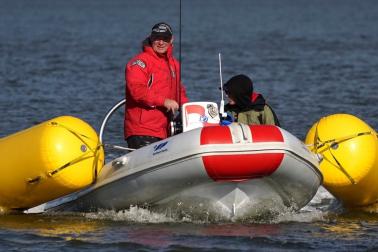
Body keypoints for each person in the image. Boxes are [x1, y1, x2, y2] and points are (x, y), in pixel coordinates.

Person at [124, 22, 189, 149]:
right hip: (142, 130)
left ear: (171, 40)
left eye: (165, 38)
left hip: (165, 130)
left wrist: (189, 110)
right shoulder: (139, 62)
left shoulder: (174, 64)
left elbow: (179, 91)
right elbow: (137, 90)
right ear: (151, 38)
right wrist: (164, 101)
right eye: (157, 38)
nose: (161, 42)